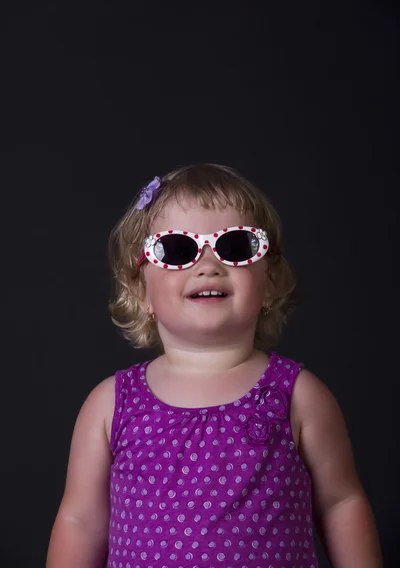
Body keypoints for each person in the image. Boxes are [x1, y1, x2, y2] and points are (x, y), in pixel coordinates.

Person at [46, 163, 383, 568]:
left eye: (236, 246)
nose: (208, 265)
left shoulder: (300, 395)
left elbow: (341, 503)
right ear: (141, 289)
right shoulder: (110, 405)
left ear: (270, 282)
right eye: (177, 250)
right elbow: (80, 521)